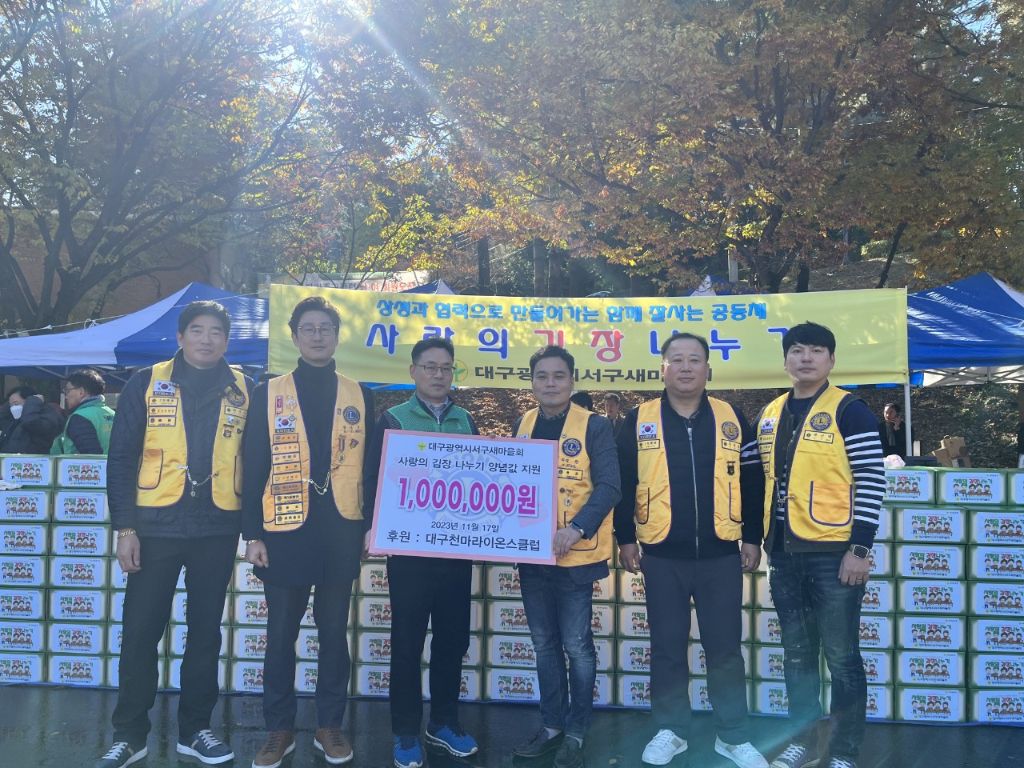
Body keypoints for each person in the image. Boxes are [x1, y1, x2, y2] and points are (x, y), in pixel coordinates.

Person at [95, 300, 251, 768]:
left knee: (205, 633)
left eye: (216, 332)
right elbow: (121, 459)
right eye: (197, 330)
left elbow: (256, 459)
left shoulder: (245, 388)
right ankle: (129, 735)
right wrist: (125, 527)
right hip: (154, 526)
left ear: (226, 340)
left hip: (217, 527)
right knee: (140, 631)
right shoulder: (146, 382)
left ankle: (196, 730)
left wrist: (255, 531)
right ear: (180, 337)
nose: (207, 339)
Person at [615, 332, 768, 768]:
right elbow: (623, 482)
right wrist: (625, 538)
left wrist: (752, 537)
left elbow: (752, 480)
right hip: (661, 552)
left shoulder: (731, 417)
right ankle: (671, 730)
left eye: (694, 359)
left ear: (708, 369)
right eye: (677, 359)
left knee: (725, 650)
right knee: (666, 646)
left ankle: (732, 735)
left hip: (721, 554)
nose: (685, 367)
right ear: (662, 368)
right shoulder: (639, 419)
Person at [243, 296, 374, 768]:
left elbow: (371, 466)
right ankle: (278, 729)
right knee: (280, 633)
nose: (318, 336)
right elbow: (252, 462)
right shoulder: (269, 392)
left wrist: (370, 527)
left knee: (333, 632)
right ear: (295, 337)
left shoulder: (360, 393)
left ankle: (329, 725)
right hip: (283, 529)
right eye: (309, 329)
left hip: (341, 528)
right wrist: (252, 534)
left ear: (337, 336)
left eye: (326, 329)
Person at [756, 322, 885, 768]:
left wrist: (860, 549)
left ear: (831, 360)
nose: (805, 358)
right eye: (797, 350)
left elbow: (871, 480)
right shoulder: (770, 413)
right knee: (797, 656)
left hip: (834, 556)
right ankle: (804, 743)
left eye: (815, 350)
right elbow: (751, 476)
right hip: (783, 555)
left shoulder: (850, 410)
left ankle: (843, 751)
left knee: (842, 657)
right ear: (785, 360)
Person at [364, 337, 480, 768]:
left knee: (453, 639)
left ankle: (444, 722)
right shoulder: (393, 419)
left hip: (455, 552)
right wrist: (371, 526)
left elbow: (481, 481)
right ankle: (406, 731)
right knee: (407, 642)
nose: (438, 375)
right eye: (430, 367)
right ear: (413, 372)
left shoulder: (466, 420)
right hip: (408, 552)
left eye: (446, 368)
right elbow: (374, 479)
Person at [510, 346, 620, 768]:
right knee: (543, 645)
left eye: (558, 376)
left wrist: (576, 528)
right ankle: (552, 726)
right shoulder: (524, 423)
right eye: (542, 376)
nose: (550, 383)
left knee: (576, 646)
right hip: (532, 557)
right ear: (532, 382)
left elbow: (610, 486)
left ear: (572, 380)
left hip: (576, 557)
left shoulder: (594, 425)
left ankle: (577, 730)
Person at [52, 368, 116, 454]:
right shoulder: (113, 414)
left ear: (81, 392)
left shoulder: (80, 418)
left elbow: (90, 457)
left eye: (67, 391)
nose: (66, 396)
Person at [0, 385, 63, 454]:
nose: (13, 408)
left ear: (29, 402)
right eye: (10, 405)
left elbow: (31, 422)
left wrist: (34, 401)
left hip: (36, 460)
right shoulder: (15, 421)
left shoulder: (46, 417)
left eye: (16, 404)